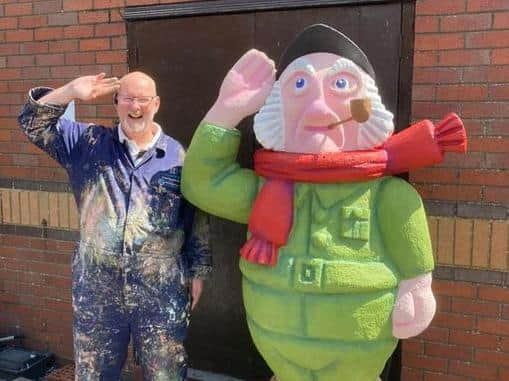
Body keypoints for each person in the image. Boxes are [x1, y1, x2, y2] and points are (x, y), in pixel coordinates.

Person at [181, 24, 466, 381]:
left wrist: (417, 288)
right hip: (283, 363)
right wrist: (225, 110)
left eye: (340, 85)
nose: (317, 107)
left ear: (367, 108)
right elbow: (201, 183)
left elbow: (414, 261)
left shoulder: (387, 197)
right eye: (299, 86)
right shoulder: (264, 191)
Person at [18, 71, 212, 381]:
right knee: (96, 375)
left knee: (166, 374)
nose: (136, 106)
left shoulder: (178, 157)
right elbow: (32, 120)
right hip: (98, 290)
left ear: (156, 103)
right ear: (117, 102)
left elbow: (196, 219)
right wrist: (70, 91)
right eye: (128, 98)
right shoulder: (87, 144)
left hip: (160, 290)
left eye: (143, 99)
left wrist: (199, 271)